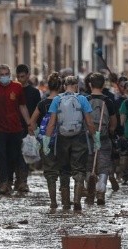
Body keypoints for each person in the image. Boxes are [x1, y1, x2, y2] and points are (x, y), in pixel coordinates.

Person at [43, 75, 96, 211]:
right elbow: (89, 122)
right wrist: (96, 139)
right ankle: (77, 200)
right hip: (79, 137)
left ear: (64, 86)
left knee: (64, 170)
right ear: (76, 86)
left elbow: (51, 123)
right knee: (79, 169)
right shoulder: (82, 99)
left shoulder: (57, 99)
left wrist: (46, 141)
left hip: (62, 138)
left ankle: (66, 203)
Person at [0, 65, 32, 196]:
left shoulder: (17, 87)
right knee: (0, 156)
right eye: (1, 74)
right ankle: (4, 182)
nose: (4, 76)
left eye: (6, 74)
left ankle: (11, 180)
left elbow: (22, 106)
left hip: (15, 128)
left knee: (13, 156)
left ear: (10, 75)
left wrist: (29, 123)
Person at [29, 72, 63, 211]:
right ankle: (66, 201)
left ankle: (53, 201)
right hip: (63, 140)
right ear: (60, 87)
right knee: (64, 171)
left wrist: (38, 136)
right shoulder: (64, 101)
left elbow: (32, 123)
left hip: (46, 142)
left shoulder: (42, 103)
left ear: (48, 86)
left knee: (50, 172)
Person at [85, 73, 117, 206]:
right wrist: (110, 131)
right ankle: (101, 192)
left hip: (88, 138)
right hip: (103, 137)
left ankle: (89, 189)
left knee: (88, 165)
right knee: (103, 166)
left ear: (90, 85)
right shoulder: (108, 101)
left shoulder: (85, 100)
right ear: (103, 85)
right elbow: (114, 122)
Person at [13, 64, 42, 192]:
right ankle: (17, 179)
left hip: (28, 127)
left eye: (23, 76)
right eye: (18, 77)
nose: (21, 79)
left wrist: (35, 126)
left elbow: (38, 110)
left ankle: (23, 181)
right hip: (14, 126)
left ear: (28, 75)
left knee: (25, 154)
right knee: (15, 154)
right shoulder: (13, 91)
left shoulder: (34, 92)